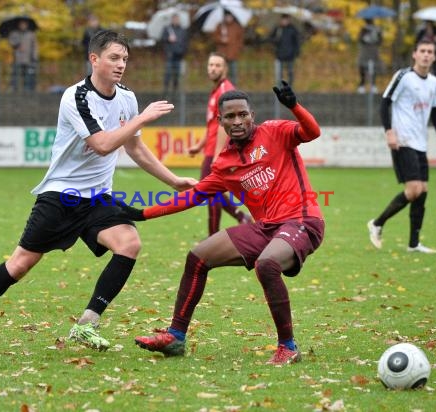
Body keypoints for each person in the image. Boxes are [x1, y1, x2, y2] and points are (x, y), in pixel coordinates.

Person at [0, 31, 197, 355]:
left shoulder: (127, 97)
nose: (121, 64)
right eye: (114, 58)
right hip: (61, 196)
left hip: (98, 198)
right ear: (94, 59)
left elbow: (135, 147)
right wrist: (142, 118)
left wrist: (172, 180)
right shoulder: (76, 97)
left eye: (125, 59)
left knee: (129, 243)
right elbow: (101, 145)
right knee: (19, 265)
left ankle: (86, 324)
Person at [126, 84, 325, 365]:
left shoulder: (276, 131)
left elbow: (312, 132)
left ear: (251, 115)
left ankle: (288, 347)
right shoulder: (225, 163)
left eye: (242, 115)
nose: (237, 121)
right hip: (266, 227)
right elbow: (193, 197)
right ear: (220, 121)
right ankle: (176, 337)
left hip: (302, 220)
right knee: (197, 257)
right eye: (229, 117)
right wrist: (142, 213)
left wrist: (294, 106)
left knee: (267, 264)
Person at [367, 39, 436, 254]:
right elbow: (385, 102)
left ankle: (413, 244)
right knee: (414, 190)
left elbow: (435, 110)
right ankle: (377, 223)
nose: (426, 55)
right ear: (415, 54)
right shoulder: (404, 77)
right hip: (403, 141)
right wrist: (389, 131)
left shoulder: (433, 82)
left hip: (420, 143)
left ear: (434, 56)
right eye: (423, 51)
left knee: (423, 191)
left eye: (430, 52)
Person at [188, 52, 251, 235]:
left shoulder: (225, 91)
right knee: (211, 190)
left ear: (225, 69)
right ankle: (240, 217)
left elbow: (226, 124)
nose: (213, 68)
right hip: (211, 148)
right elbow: (213, 125)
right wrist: (199, 146)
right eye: (211, 65)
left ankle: (213, 237)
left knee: (209, 190)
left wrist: (217, 154)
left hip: (217, 150)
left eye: (217, 65)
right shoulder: (217, 91)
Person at [160, 13, 189, 98]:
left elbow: (185, 42)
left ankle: (175, 91)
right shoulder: (167, 29)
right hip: (170, 54)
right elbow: (162, 39)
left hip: (179, 55)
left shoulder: (182, 30)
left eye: (177, 19)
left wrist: (183, 51)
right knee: (168, 73)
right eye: (174, 19)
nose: (175, 20)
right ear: (172, 20)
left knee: (177, 75)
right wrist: (168, 39)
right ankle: (166, 91)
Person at [213, 11, 245, 85]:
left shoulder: (236, 27)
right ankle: (222, 87)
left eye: (230, 16)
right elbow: (215, 37)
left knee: (233, 73)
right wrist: (221, 39)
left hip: (233, 54)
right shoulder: (220, 26)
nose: (228, 18)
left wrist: (237, 49)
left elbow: (240, 40)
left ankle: (233, 88)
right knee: (222, 73)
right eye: (227, 16)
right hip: (222, 54)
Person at [269, 14, 301, 86]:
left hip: (290, 55)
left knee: (290, 73)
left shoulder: (293, 29)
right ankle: (279, 89)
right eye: (283, 20)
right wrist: (275, 40)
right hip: (279, 55)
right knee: (279, 75)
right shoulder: (277, 29)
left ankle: (289, 88)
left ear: (289, 20)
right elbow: (270, 39)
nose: (284, 21)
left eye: (286, 20)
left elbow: (297, 42)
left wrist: (296, 52)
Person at [9, 19, 39, 91]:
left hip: (28, 59)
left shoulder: (31, 34)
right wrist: (18, 44)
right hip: (17, 59)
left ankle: (28, 90)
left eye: (24, 24)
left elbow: (35, 46)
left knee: (29, 76)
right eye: (21, 24)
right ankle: (14, 89)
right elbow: (11, 42)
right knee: (15, 75)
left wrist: (35, 57)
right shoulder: (15, 33)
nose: (23, 26)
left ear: (27, 25)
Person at [415, 20, 436, 86]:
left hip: (435, 54)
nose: (429, 25)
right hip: (424, 55)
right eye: (427, 24)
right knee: (424, 67)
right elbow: (417, 41)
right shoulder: (422, 31)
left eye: (430, 24)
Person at [357, 18, 382, 94]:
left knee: (374, 68)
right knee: (362, 67)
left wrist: (376, 37)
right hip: (365, 51)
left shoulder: (377, 29)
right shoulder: (363, 29)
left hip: (373, 51)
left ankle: (373, 85)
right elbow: (360, 39)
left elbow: (380, 41)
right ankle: (362, 85)